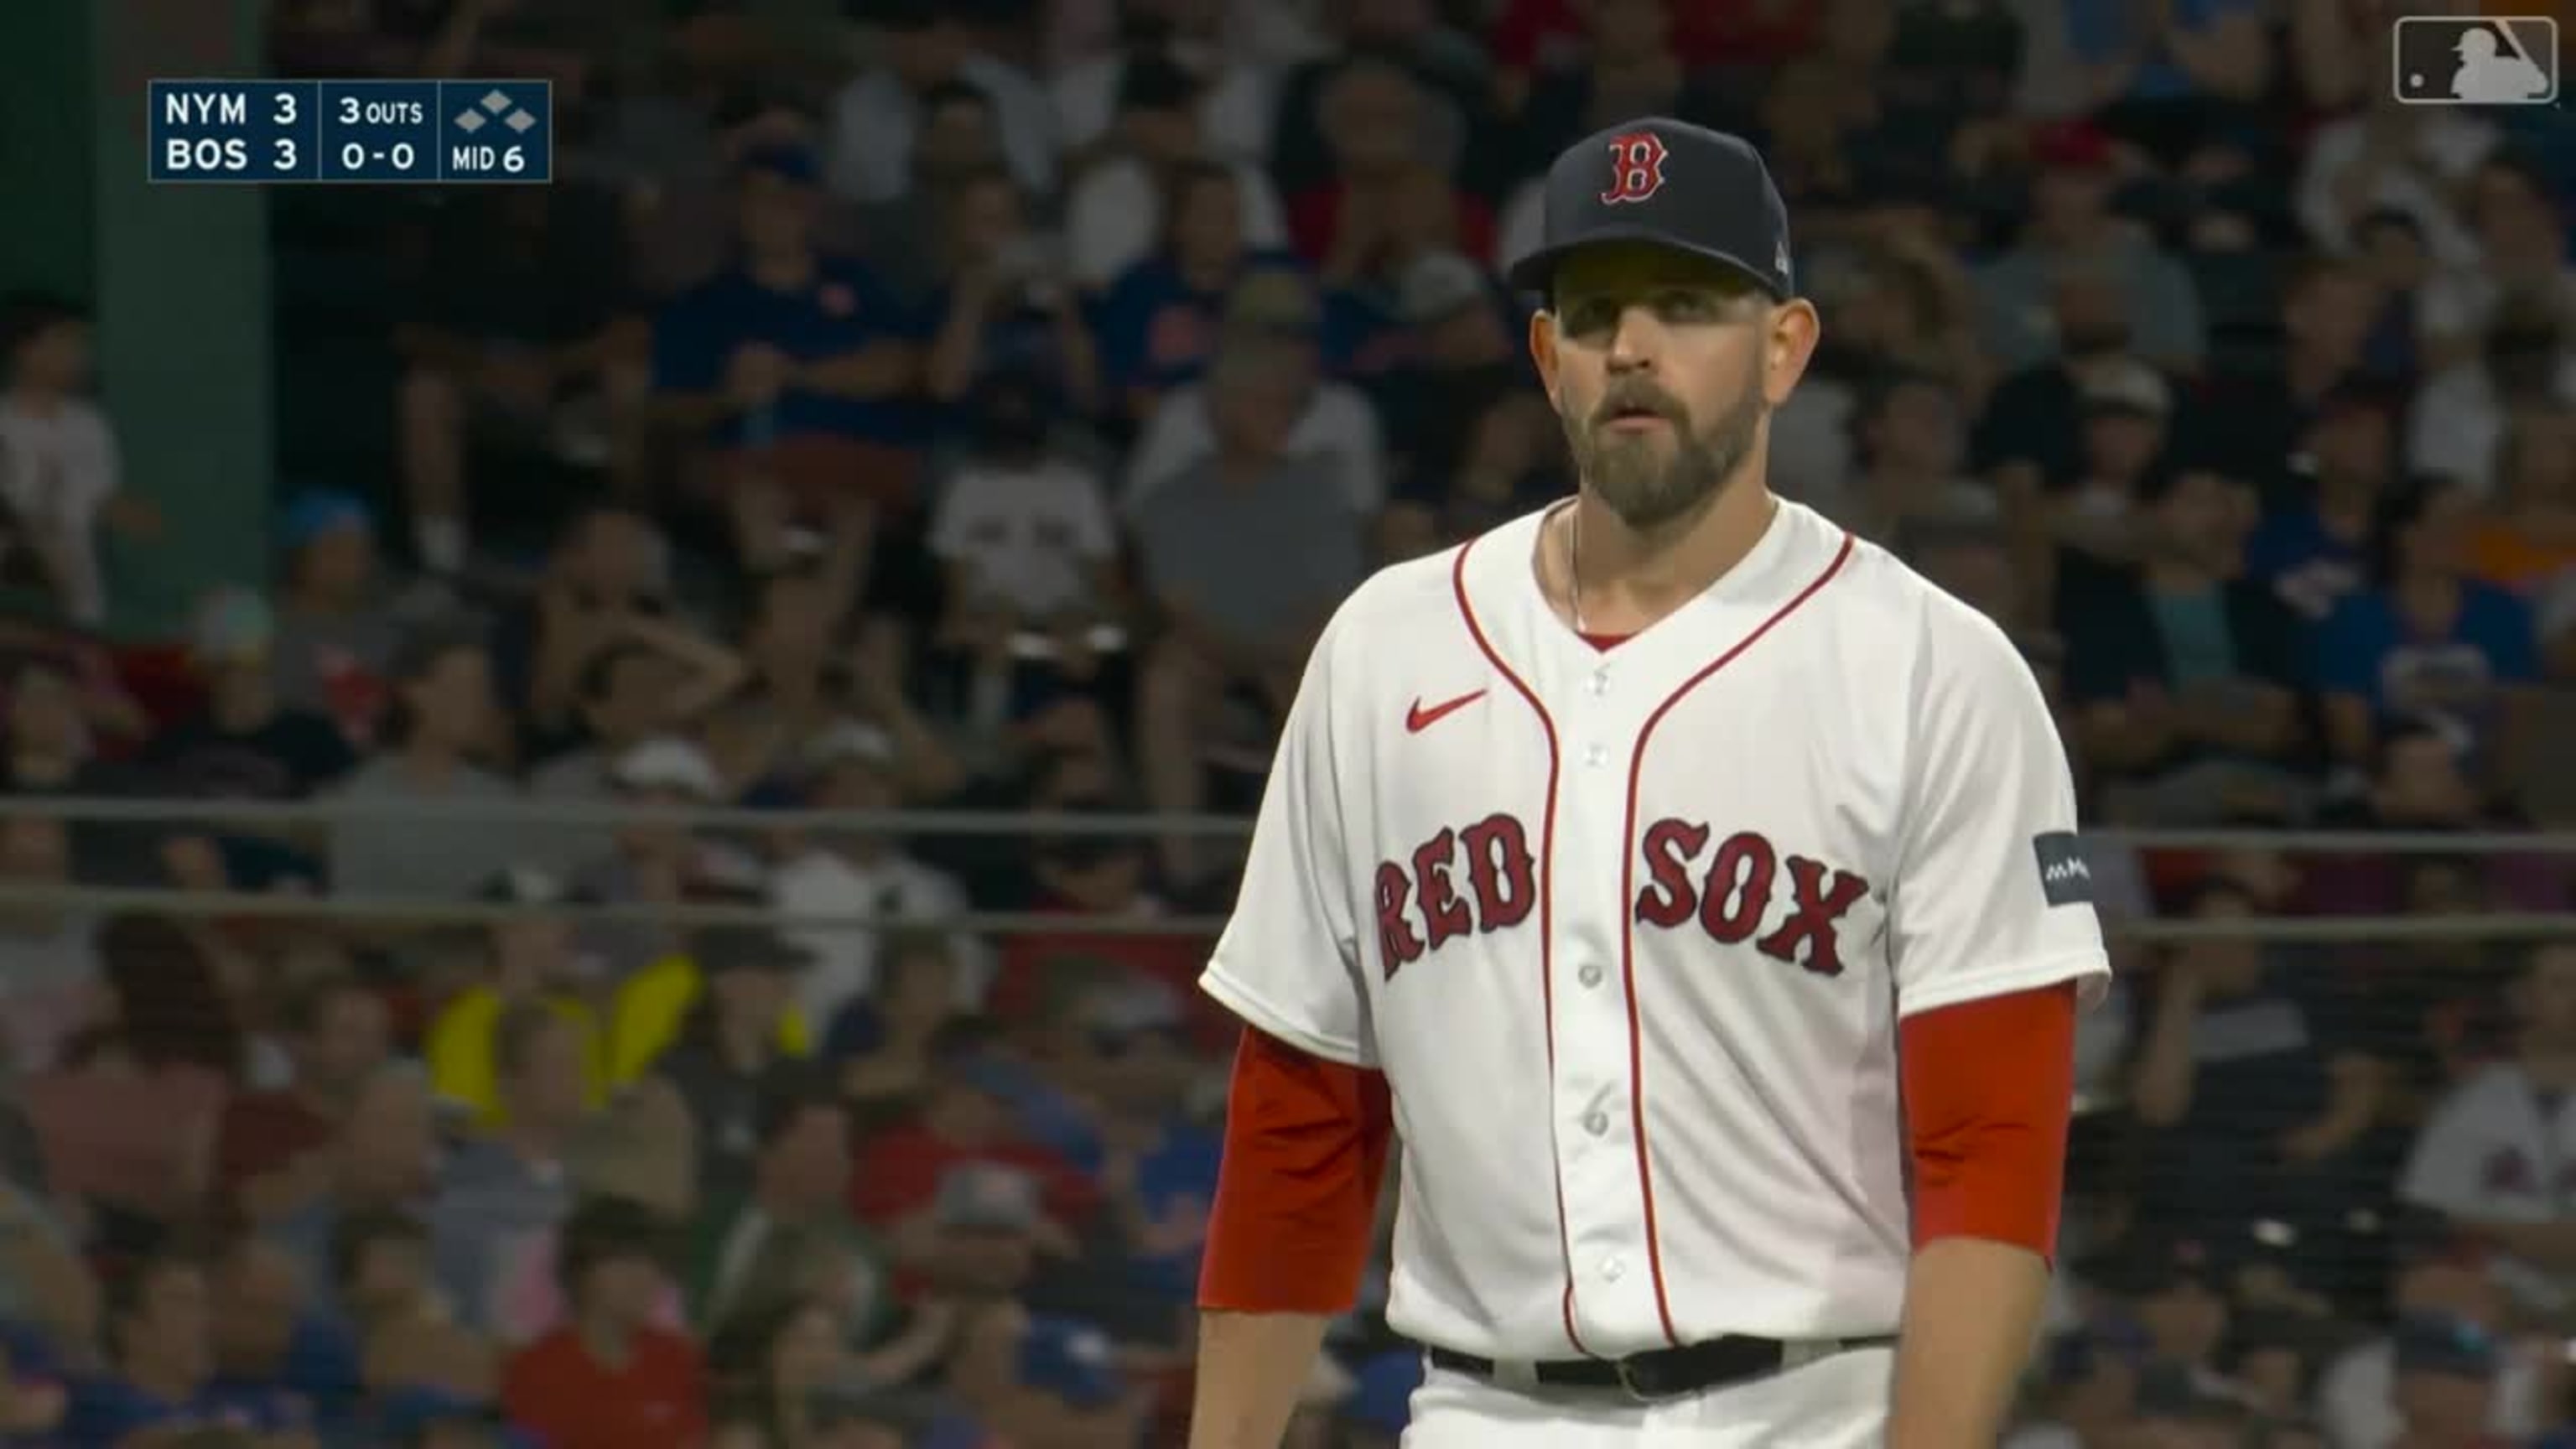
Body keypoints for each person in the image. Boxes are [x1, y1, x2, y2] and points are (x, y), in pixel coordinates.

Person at [1186, 120, 2109, 1448]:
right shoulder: (1385, 652)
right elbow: (1300, 1125)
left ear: (1784, 347)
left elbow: (1992, 1156)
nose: (1633, 344)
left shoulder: (1932, 670)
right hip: (1476, 1415)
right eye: (1596, 308)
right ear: (1546, 356)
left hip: (1816, 1413)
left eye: (1687, 305)